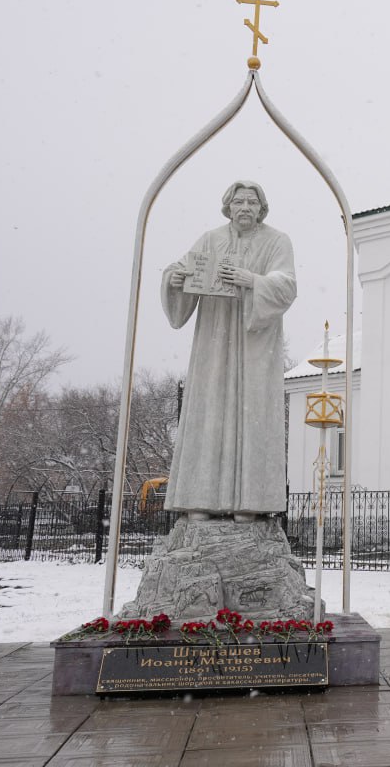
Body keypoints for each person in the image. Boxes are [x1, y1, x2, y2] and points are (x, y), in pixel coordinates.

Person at [161, 180, 296, 522]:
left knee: (253, 415)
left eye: (252, 202)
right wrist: (175, 280)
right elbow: (181, 269)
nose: (246, 207)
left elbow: (287, 284)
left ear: (262, 208)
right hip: (215, 338)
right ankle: (199, 498)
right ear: (229, 206)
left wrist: (251, 280)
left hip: (255, 343)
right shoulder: (211, 240)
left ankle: (249, 502)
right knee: (209, 411)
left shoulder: (276, 241)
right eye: (239, 202)